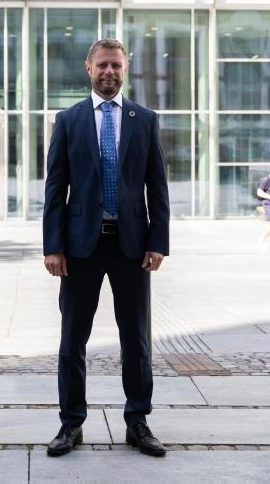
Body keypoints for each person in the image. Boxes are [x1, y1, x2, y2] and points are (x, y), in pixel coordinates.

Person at [43, 38, 170, 458]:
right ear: (88, 68)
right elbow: (55, 189)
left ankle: (138, 421)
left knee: (136, 340)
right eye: (102, 65)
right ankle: (70, 424)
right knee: (72, 340)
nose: (109, 72)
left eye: (116, 65)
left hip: (132, 247)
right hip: (80, 248)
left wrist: (158, 241)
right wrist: (53, 246)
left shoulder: (145, 120)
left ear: (125, 68)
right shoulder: (69, 120)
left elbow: (158, 187)